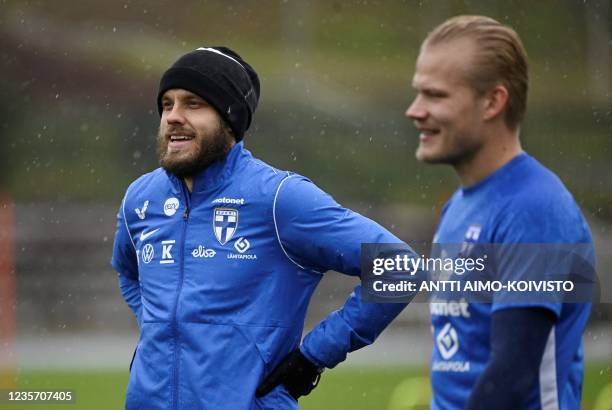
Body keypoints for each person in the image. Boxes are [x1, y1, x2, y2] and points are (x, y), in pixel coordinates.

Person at [111, 46, 414, 409]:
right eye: (167, 104)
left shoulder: (278, 198)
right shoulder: (141, 198)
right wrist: (160, 327)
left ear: (230, 119)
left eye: (193, 104)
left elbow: (399, 267)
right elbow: (129, 272)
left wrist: (311, 358)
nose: (173, 117)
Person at [405, 16, 595, 409]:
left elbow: (511, 375)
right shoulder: (458, 205)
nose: (415, 110)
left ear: (493, 101)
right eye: (417, 93)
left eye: (435, 95)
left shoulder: (534, 208)